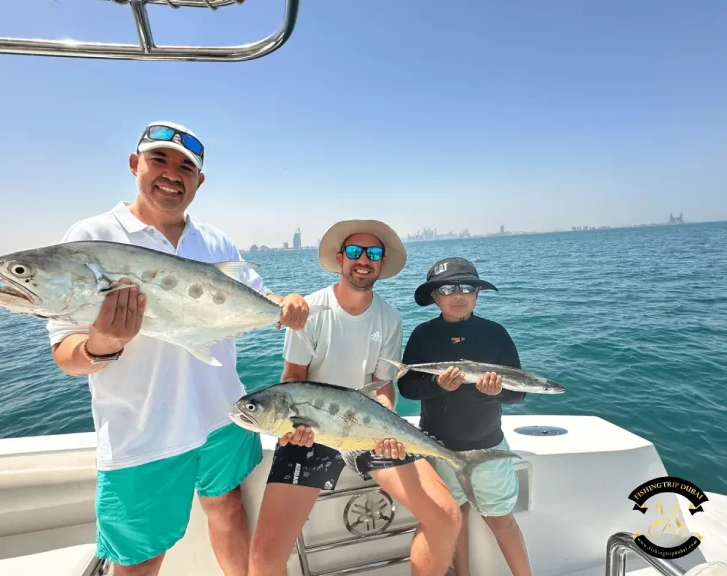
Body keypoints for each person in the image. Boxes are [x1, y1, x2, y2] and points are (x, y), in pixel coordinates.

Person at [46, 121, 310, 576]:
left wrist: (283, 304)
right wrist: (103, 344)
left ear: (199, 180)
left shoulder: (215, 241)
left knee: (227, 508)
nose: (172, 173)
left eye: (186, 166)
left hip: (224, 414)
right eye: (159, 159)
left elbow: (257, 301)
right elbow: (65, 352)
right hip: (143, 432)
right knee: (139, 557)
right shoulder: (91, 237)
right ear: (135, 165)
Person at [247, 220, 462, 576]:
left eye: (374, 253)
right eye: (355, 251)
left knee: (446, 518)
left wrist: (388, 424)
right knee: (264, 558)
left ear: (381, 263)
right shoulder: (311, 311)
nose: (364, 259)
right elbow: (293, 381)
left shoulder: (390, 318)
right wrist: (292, 430)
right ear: (340, 258)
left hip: (367, 431)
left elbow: (382, 386)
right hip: (309, 434)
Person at [397, 257, 532, 576]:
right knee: (453, 518)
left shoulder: (496, 334)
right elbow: (407, 387)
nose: (458, 294)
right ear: (434, 296)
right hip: (438, 447)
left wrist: (495, 392)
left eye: (467, 287)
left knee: (502, 522)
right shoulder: (423, 335)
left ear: (477, 293)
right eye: (447, 287)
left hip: (488, 447)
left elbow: (519, 391)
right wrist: (438, 385)